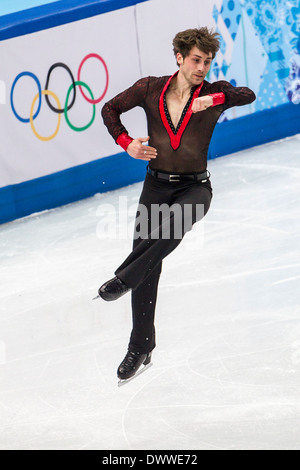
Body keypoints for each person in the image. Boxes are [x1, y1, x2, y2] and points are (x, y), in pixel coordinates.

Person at [99, 27, 256, 383]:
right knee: (149, 261)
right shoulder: (150, 88)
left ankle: (124, 278)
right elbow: (110, 109)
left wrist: (213, 101)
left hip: (195, 189)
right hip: (155, 186)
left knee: (171, 229)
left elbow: (247, 94)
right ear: (180, 57)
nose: (202, 67)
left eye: (208, 61)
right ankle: (141, 345)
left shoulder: (216, 92)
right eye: (196, 60)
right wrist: (127, 144)